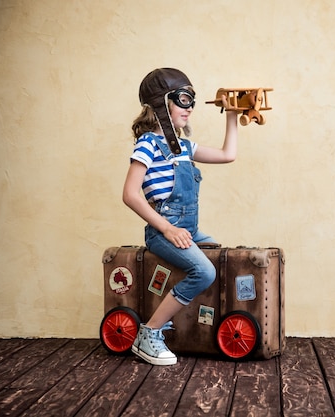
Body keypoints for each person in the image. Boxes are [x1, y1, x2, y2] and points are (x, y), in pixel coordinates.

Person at [122, 68, 238, 365]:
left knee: (217, 254)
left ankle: (195, 327)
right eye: (183, 100)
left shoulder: (185, 147)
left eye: (192, 101)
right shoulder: (148, 143)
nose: (189, 109)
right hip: (163, 231)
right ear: (162, 104)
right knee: (205, 272)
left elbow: (228, 154)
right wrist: (167, 229)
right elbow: (130, 194)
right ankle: (148, 333)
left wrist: (232, 115)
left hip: (188, 229)